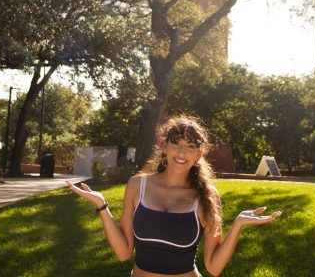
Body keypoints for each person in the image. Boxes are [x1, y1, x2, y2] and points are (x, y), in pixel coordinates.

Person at [67, 115, 282, 276]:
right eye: (176, 143)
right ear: (163, 146)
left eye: (190, 147)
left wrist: (237, 225)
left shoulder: (206, 196)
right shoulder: (137, 185)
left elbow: (213, 267)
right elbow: (124, 253)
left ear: (199, 155)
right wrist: (102, 206)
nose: (181, 153)